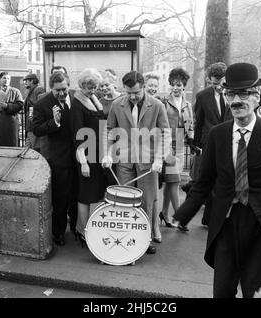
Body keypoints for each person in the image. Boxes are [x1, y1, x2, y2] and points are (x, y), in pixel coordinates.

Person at [174, 63, 261, 298]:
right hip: (225, 224)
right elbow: (204, 181)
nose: (236, 100)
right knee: (222, 290)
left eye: (243, 94)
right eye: (231, 94)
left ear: (257, 97)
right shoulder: (218, 135)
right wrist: (183, 212)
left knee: (255, 290)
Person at [102, 71, 171, 255]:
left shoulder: (156, 105)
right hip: (124, 160)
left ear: (143, 87)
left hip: (148, 162)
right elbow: (109, 129)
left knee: (147, 202)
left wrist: (158, 159)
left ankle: (144, 239)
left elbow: (165, 133)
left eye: (136, 93)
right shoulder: (117, 104)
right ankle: (126, 236)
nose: (132, 97)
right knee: (125, 200)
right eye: (129, 93)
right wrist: (107, 153)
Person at [175, 62, 229, 231]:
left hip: (227, 143)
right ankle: (182, 218)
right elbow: (198, 123)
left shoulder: (233, 94)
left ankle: (208, 219)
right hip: (207, 144)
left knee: (219, 182)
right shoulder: (203, 96)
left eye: (221, 83)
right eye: (214, 83)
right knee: (202, 181)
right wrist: (195, 145)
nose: (218, 87)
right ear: (209, 80)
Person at [32, 71, 77, 247]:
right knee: (60, 198)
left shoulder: (76, 97)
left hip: (78, 156)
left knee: (76, 195)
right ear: (51, 88)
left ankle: (76, 229)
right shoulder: (42, 103)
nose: (61, 93)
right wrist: (55, 123)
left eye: (64, 89)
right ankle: (58, 233)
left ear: (69, 85)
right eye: (57, 90)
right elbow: (36, 129)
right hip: (57, 157)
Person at [70, 69, 108, 246]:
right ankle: (83, 231)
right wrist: (83, 162)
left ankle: (85, 227)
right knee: (85, 195)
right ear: (82, 85)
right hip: (86, 154)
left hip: (97, 153)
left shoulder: (92, 98)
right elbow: (78, 135)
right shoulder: (77, 103)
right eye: (89, 87)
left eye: (95, 87)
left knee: (95, 193)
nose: (93, 90)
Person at [158, 68, 194, 240]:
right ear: (170, 85)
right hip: (167, 143)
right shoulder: (163, 101)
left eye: (179, 85)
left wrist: (192, 141)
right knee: (175, 181)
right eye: (173, 85)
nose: (176, 88)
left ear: (184, 86)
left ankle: (165, 213)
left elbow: (191, 124)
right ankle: (181, 218)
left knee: (171, 182)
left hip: (180, 142)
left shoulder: (187, 104)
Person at [0, 72, 24, 147]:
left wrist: (7, 106)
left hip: (10, 123)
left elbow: (20, 105)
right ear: (0, 79)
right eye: (4, 78)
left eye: (8, 78)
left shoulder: (15, 91)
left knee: (11, 144)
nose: (6, 80)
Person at [23, 73, 45, 150]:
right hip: (30, 127)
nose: (25, 83)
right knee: (28, 150)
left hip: (34, 127)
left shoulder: (38, 90)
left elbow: (39, 105)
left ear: (32, 81)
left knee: (35, 150)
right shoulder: (30, 91)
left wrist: (32, 115)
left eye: (26, 81)